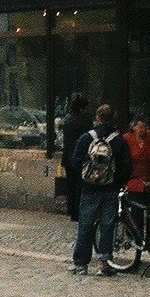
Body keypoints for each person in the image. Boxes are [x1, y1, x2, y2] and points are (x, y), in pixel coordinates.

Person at [72, 103, 132, 276]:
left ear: (97, 118)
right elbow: (126, 166)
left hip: (89, 187)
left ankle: (81, 264)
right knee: (107, 225)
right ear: (111, 118)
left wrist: (83, 179)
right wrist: (118, 182)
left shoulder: (86, 138)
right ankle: (104, 263)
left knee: (86, 225)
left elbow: (75, 161)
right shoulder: (119, 140)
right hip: (110, 188)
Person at [59, 94, 92, 223]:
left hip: (68, 157)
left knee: (71, 185)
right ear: (82, 108)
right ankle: (78, 212)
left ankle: (71, 210)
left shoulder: (68, 120)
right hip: (81, 157)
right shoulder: (85, 121)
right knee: (80, 185)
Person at [125, 117, 150, 196]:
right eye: (141, 127)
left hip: (147, 179)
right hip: (132, 181)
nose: (144, 130)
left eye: (145, 127)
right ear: (133, 127)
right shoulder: (126, 139)